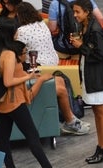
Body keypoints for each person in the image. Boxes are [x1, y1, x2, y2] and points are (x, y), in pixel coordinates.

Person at [15, 1, 90, 135]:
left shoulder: (21, 31)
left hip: (39, 67)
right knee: (61, 84)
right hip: (53, 63)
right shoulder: (42, 24)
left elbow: (17, 51)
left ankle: (70, 120)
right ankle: (70, 120)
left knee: (59, 86)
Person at [0, 20, 52, 168]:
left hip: (1, 102)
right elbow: (8, 81)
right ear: (10, 33)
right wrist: (28, 77)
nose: (18, 33)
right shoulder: (9, 54)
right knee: (33, 137)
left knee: (3, 140)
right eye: (16, 31)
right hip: (13, 100)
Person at [70, 0, 103, 164]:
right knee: (97, 111)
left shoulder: (95, 30)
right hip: (90, 73)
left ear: (87, 12)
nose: (75, 15)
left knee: (101, 111)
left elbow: (101, 55)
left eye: (77, 12)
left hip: (97, 76)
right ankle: (102, 147)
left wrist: (81, 45)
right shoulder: (85, 26)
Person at [15, 2, 58, 66]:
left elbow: (16, 49)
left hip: (37, 64)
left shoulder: (22, 30)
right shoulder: (41, 23)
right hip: (54, 61)